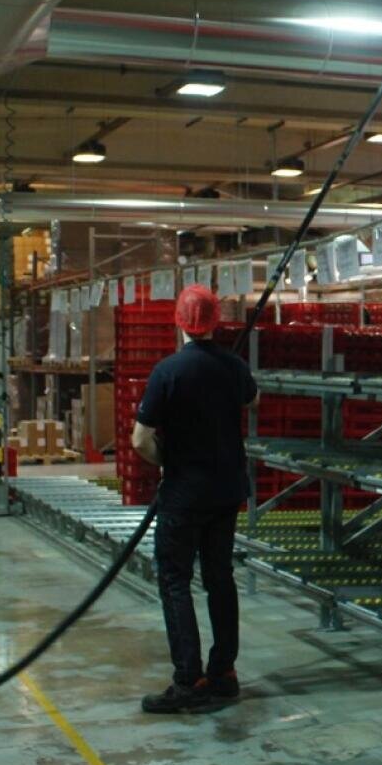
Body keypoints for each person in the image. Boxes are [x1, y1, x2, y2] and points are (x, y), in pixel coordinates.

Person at [131, 283, 258, 714]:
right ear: (215, 322)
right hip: (227, 492)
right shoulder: (235, 367)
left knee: (175, 580)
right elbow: (252, 398)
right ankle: (223, 672)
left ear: (178, 322)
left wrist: (166, 461)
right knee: (219, 576)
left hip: (185, 494)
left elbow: (140, 439)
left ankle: (190, 678)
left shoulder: (167, 372)